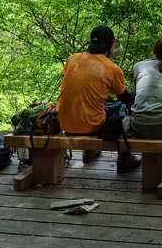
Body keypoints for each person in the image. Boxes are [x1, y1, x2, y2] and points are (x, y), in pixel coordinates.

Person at [57, 24, 139, 171]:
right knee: (125, 109)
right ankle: (125, 158)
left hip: (63, 121)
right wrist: (140, 90)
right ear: (111, 46)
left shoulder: (73, 59)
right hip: (91, 125)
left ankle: (90, 150)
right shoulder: (112, 69)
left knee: (106, 108)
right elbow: (125, 98)